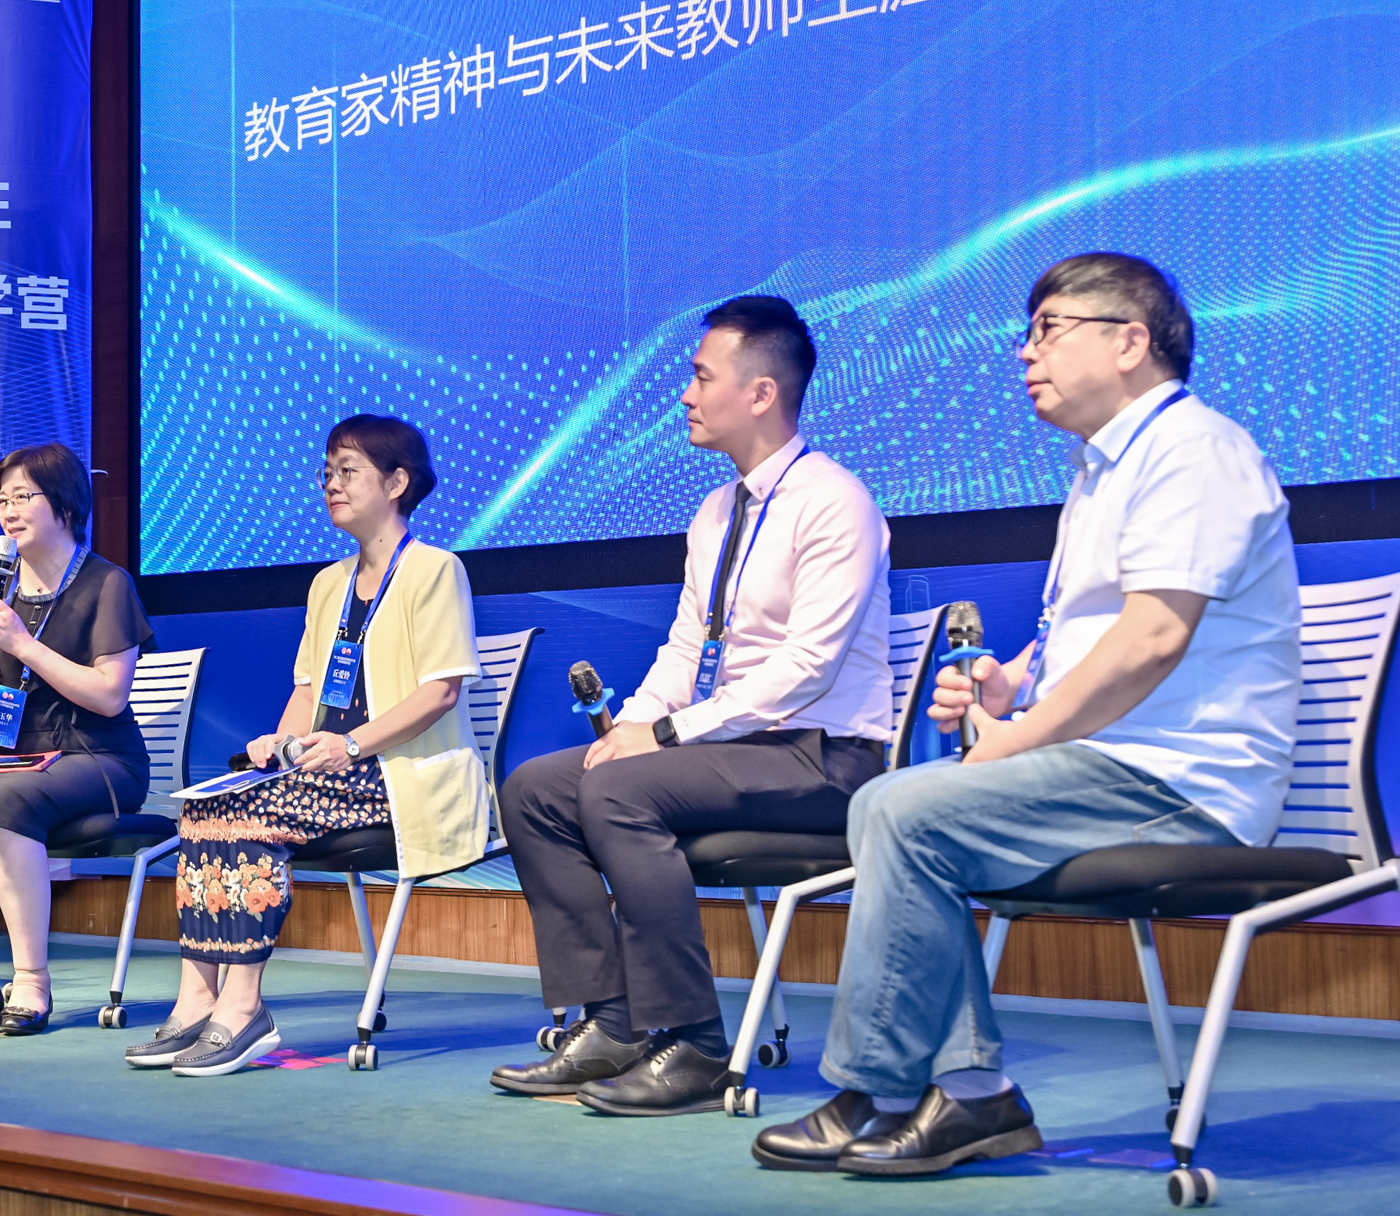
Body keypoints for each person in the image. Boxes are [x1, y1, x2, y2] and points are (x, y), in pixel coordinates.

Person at [753, 253, 1300, 1175]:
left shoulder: (1193, 450)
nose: (1024, 351)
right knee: (898, 805)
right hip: (1116, 767)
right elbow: (1095, 637)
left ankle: (897, 1092)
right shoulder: (1103, 469)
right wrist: (1012, 686)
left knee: (902, 808)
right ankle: (967, 1093)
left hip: (1182, 784)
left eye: (1050, 329)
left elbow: (1154, 638)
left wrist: (1014, 739)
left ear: (1130, 342)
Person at [491, 295, 893, 1116]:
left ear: (761, 392)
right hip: (735, 750)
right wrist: (632, 727)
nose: (685, 394)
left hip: (824, 758)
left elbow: (808, 667)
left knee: (618, 789)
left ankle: (698, 1046)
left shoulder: (835, 501)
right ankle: (614, 1024)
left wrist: (666, 734)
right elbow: (686, 649)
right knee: (537, 787)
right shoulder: (715, 512)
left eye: (702, 376)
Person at [125, 414, 487, 1076]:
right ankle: (197, 999)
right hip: (325, 775)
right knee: (205, 808)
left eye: (348, 471)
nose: (331, 485)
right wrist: (278, 741)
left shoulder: (436, 569)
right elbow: (309, 688)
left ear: (397, 482)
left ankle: (243, 1007)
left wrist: (352, 746)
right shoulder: (328, 583)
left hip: (399, 775)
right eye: (327, 473)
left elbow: (440, 692)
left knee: (251, 815)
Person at [0, 441, 156, 1036]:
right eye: (2, 500)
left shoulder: (106, 584)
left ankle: (32, 981)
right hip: (20, 760)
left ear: (65, 505)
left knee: (3, 800)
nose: (9, 510)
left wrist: (21, 644)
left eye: (23, 496)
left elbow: (109, 695)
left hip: (99, 756)